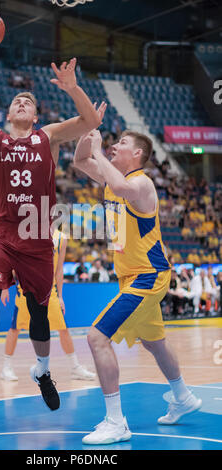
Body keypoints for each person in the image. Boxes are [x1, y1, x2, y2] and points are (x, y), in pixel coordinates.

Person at [0, 24, 101, 412]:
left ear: (36, 114)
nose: (21, 102)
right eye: (16, 101)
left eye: (27, 101)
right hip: (2, 235)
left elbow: (90, 122)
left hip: (38, 238)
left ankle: (41, 370)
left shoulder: (47, 137)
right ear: (7, 113)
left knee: (39, 313)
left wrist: (72, 88)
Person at [73, 129, 202, 445]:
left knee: (96, 337)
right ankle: (182, 396)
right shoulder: (112, 180)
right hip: (132, 276)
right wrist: (85, 130)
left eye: (123, 144)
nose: (116, 146)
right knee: (154, 342)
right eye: (115, 142)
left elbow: (119, 184)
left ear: (138, 155)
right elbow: (79, 161)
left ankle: (116, 422)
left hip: (148, 275)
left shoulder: (141, 183)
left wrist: (101, 150)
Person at [0, 228, 96, 381]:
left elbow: (59, 270)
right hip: (26, 288)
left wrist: (61, 296)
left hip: (50, 291)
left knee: (63, 329)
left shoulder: (61, 238)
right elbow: (11, 261)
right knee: (15, 328)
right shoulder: (26, 233)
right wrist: (5, 286)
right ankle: (6, 368)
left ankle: (75, 368)